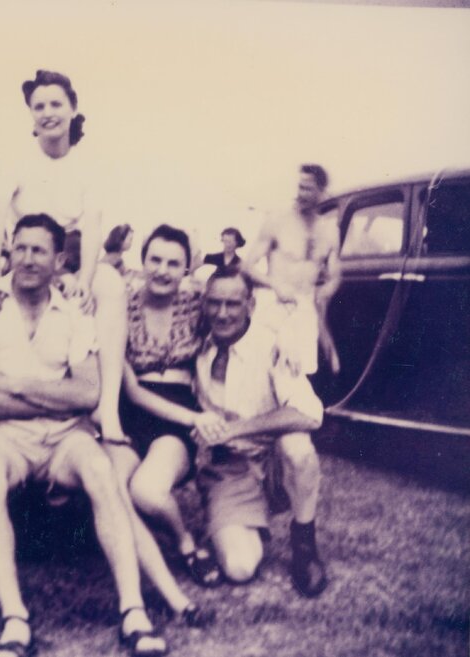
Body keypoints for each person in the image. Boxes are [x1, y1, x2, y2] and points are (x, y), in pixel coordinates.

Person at [0, 214, 171, 657]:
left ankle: (134, 612)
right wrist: (54, 395)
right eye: (20, 248)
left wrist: (15, 384)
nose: (27, 259)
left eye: (38, 251)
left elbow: (89, 392)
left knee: (99, 469)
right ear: (9, 252)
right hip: (3, 435)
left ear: (59, 260)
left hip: (65, 437)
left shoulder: (74, 309)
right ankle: (14, 619)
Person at [0, 69, 129, 447]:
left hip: (67, 258)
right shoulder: (15, 160)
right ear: (31, 114)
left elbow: (93, 226)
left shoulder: (88, 164)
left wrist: (83, 278)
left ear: (73, 108)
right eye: (39, 106)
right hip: (21, 258)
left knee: (109, 284)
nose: (48, 113)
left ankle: (107, 409)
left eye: (56, 104)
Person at [192, 269, 329, 598]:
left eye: (232, 304)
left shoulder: (272, 347)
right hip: (230, 471)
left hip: (273, 463)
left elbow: (311, 414)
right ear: (203, 303)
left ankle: (304, 546)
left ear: (250, 305)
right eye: (214, 303)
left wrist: (235, 429)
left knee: (297, 446)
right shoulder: (194, 343)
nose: (222, 313)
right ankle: (230, 526)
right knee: (239, 568)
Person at [105, 224, 224, 589]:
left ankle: (184, 542)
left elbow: (241, 316)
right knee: (116, 492)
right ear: (141, 262)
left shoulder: (197, 303)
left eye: (174, 263)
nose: (162, 270)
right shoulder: (119, 306)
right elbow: (134, 391)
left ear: (187, 268)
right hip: (128, 411)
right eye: (155, 259)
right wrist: (198, 419)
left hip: (174, 421)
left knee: (146, 491)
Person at [241, 164, 341, 375]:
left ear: (322, 192)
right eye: (299, 187)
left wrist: (324, 292)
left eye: (307, 188)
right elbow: (247, 266)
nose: (300, 194)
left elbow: (335, 276)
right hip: (274, 308)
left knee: (300, 377)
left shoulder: (330, 230)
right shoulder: (277, 220)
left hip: (304, 312)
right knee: (264, 373)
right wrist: (275, 284)